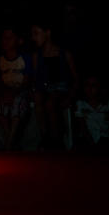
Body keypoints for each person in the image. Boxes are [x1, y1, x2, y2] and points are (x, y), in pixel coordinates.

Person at [30, 22, 77, 150]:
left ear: (47, 33)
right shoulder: (36, 56)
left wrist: (70, 97)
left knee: (50, 102)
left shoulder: (64, 54)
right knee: (38, 97)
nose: (33, 38)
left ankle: (56, 140)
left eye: (36, 33)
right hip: (44, 90)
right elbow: (35, 80)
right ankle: (45, 137)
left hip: (61, 90)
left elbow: (75, 80)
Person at [0, 27, 29, 150]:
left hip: (20, 91)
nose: (6, 41)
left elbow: (27, 80)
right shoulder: (0, 59)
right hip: (5, 92)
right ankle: (10, 138)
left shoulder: (24, 58)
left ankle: (9, 142)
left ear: (19, 41)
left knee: (17, 104)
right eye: (4, 38)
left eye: (10, 38)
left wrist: (14, 92)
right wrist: (4, 92)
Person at [73, 75, 109, 154]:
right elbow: (82, 126)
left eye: (93, 85)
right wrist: (91, 143)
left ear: (100, 88)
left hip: (106, 138)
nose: (90, 88)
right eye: (87, 85)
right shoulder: (80, 103)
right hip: (86, 139)